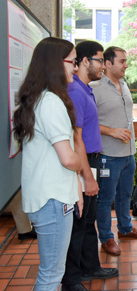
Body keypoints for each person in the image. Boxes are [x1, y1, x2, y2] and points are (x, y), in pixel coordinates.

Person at [13, 37, 83, 291]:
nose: (75, 68)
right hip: (52, 201)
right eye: (72, 62)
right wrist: (82, 168)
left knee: (51, 272)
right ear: (55, 63)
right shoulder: (51, 102)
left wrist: (75, 185)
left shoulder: (37, 99)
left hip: (47, 196)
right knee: (52, 274)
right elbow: (67, 157)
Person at [61, 41, 118, 291]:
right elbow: (76, 138)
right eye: (98, 60)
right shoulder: (74, 91)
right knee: (78, 223)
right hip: (86, 163)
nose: (102, 67)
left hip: (93, 161)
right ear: (85, 61)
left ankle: (89, 266)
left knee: (88, 220)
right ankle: (72, 278)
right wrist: (87, 175)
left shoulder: (86, 89)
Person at [91, 46, 137, 256]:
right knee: (105, 199)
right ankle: (106, 238)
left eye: (126, 61)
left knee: (125, 195)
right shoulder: (94, 88)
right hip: (108, 156)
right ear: (107, 63)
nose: (126, 65)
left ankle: (125, 229)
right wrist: (111, 131)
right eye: (122, 61)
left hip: (128, 155)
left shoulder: (124, 84)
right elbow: (85, 124)